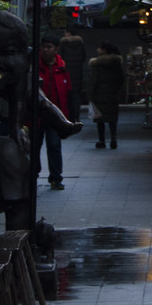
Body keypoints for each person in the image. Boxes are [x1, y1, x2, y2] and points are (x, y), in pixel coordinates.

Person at [36, 38, 72, 190]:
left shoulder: (61, 67)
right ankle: (33, 175)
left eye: (49, 47)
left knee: (54, 145)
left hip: (55, 114)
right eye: (43, 47)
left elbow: (68, 91)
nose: (45, 50)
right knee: (34, 146)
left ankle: (56, 178)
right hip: (36, 114)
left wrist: (67, 115)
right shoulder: (35, 65)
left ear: (56, 49)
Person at [84, 42, 128, 149]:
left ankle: (102, 141)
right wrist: (117, 90)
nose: (97, 49)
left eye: (99, 48)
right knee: (112, 118)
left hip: (99, 94)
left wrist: (90, 95)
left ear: (104, 50)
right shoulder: (116, 63)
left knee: (100, 119)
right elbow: (121, 79)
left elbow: (93, 81)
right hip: (112, 94)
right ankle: (113, 139)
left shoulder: (97, 64)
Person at [57, 25, 88, 118]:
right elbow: (83, 57)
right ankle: (76, 116)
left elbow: (60, 58)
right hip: (77, 72)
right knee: (76, 94)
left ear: (68, 33)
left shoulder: (63, 43)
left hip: (66, 72)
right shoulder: (80, 42)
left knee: (67, 95)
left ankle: (68, 116)